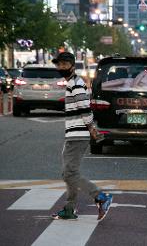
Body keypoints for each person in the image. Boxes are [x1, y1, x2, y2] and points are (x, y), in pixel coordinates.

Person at [51, 52, 113, 221]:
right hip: (73, 134)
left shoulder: (76, 84)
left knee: (69, 173)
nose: (60, 67)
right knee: (68, 173)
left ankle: (100, 196)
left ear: (72, 65)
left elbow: (85, 109)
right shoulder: (72, 83)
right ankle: (70, 209)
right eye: (59, 64)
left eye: (64, 64)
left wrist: (92, 128)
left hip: (77, 135)